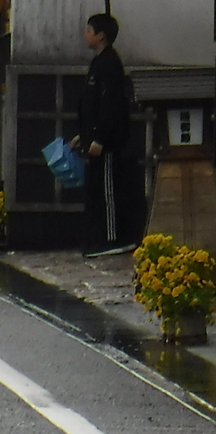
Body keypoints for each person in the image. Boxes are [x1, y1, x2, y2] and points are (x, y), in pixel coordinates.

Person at [71, 13, 141, 258]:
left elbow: (111, 106)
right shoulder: (98, 62)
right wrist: (82, 135)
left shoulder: (111, 63)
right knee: (96, 190)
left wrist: (100, 137)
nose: (86, 35)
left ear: (101, 36)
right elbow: (91, 104)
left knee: (109, 190)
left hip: (108, 143)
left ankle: (114, 238)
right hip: (93, 138)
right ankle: (99, 238)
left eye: (89, 30)